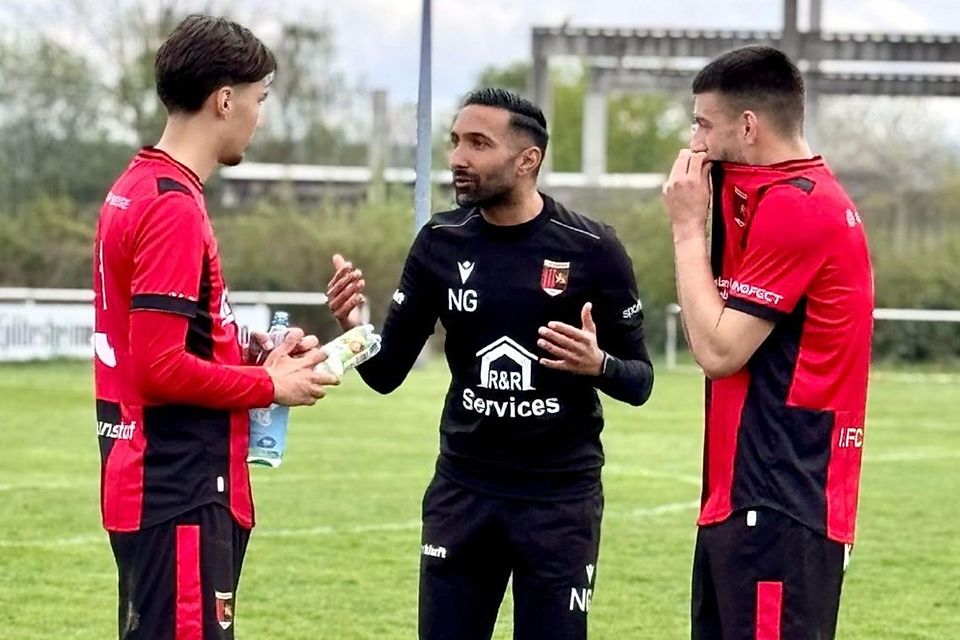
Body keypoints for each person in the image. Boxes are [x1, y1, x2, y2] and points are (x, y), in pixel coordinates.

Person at [327, 87, 654, 640]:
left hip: (560, 500)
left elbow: (640, 380)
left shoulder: (592, 248)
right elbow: (385, 374)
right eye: (456, 141)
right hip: (464, 492)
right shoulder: (439, 242)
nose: (458, 157)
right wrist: (356, 326)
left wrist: (599, 364)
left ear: (528, 160)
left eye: (479, 143)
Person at [92, 15, 337, 639]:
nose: (258, 117)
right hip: (179, 489)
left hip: (154, 482)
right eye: (259, 100)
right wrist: (270, 387)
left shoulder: (138, 185)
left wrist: (247, 358)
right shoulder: (173, 206)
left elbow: (165, 339)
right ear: (224, 100)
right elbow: (158, 367)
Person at [661, 46, 874, 639]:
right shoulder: (778, 191)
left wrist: (686, 230)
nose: (695, 141)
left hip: (781, 496)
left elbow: (719, 351)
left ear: (748, 125)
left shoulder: (801, 207)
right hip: (746, 496)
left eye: (703, 123)